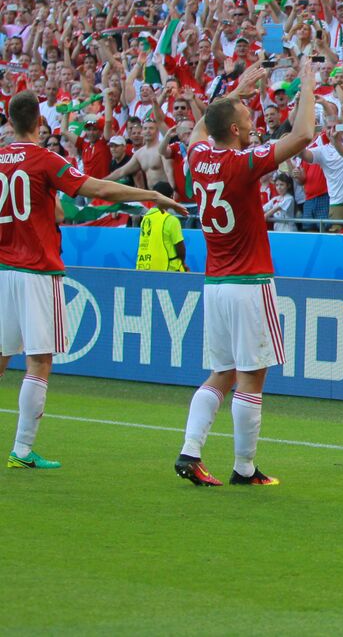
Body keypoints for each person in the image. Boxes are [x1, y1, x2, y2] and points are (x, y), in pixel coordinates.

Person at [1, 92, 186, 470]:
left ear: (9, 120)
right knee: (39, 359)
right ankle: (22, 449)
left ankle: (22, 450)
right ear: (39, 122)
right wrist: (152, 194)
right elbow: (99, 188)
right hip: (37, 269)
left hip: (3, 270)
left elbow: (46, 208)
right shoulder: (45, 159)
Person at [173, 61, 316, 488]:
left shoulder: (199, 157)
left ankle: (190, 451)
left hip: (215, 282)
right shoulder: (242, 162)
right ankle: (245, 468)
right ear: (234, 130)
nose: (253, 123)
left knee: (222, 373)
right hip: (250, 281)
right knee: (251, 377)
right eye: (247, 117)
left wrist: (236, 91)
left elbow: (202, 130)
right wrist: (309, 83)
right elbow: (303, 135)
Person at [135, 181, 187, 272]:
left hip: (145, 268)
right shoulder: (171, 220)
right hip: (168, 269)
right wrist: (183, 263)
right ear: (171, 197)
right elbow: (180, 248)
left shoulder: (146, 218)